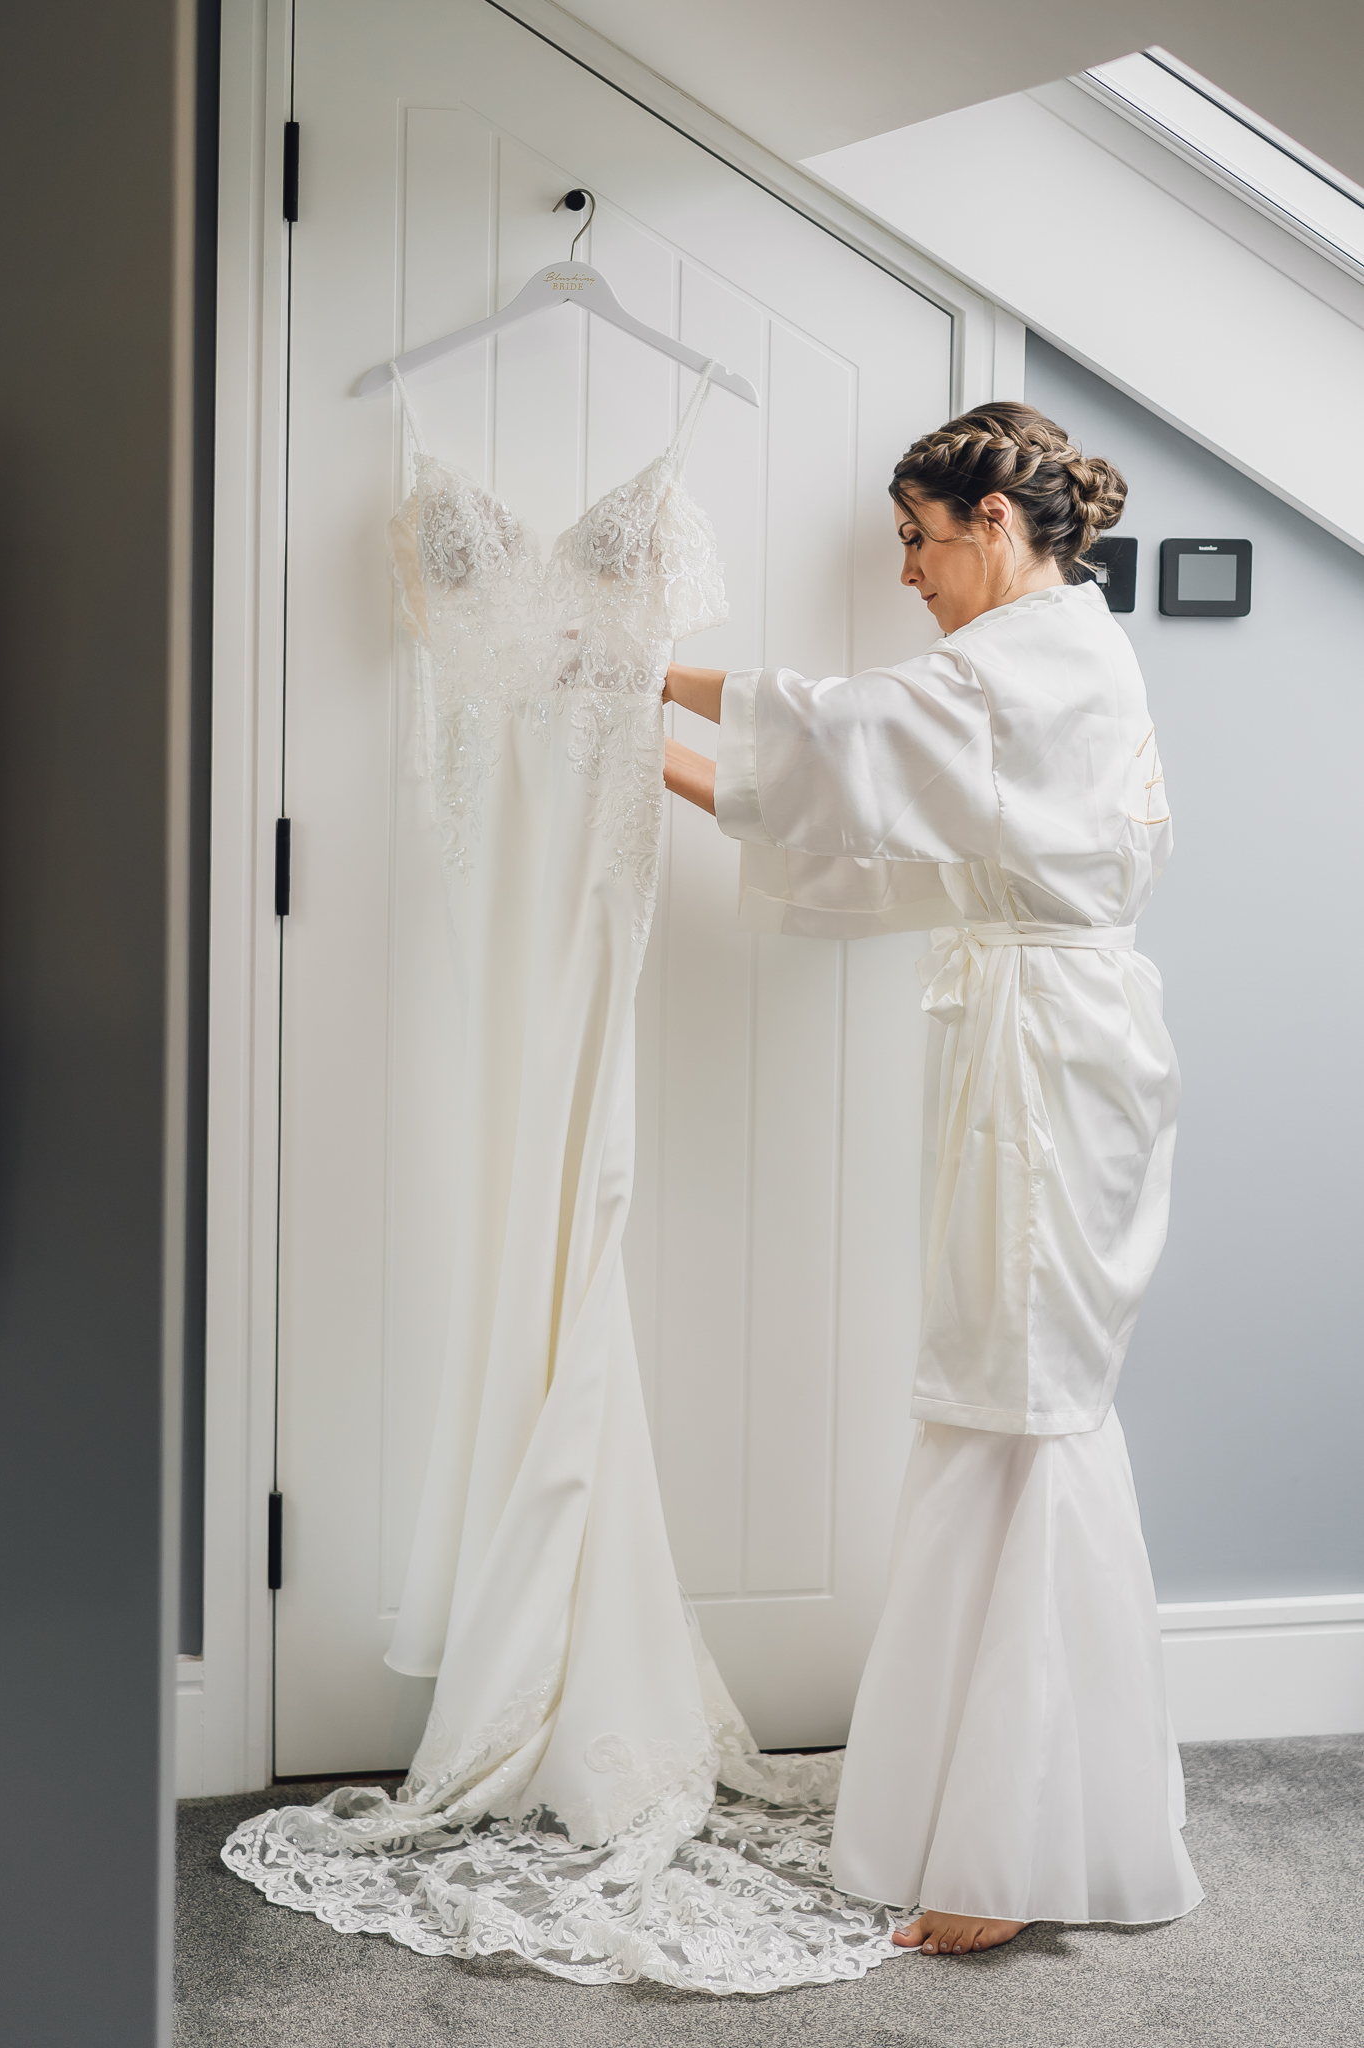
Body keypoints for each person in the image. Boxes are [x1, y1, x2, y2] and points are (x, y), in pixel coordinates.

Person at [661, 402, 1202, 1958]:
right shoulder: (1036, 669)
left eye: (916, 533)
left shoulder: (1038, 654)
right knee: (995, 1392)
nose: (903, 569)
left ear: (991, 521)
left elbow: (848, 729)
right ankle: (984, 1807)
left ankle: (1015, 1845)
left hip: (1048, 1058)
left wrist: (651, 677)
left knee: (1023, 1402)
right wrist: (665, 764)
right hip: (1029, 1043)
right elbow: (884, 836)